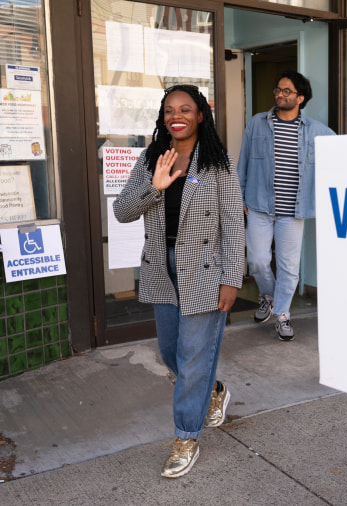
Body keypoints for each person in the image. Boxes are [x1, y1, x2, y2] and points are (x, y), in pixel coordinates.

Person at [113, 84, 245, 478]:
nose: (178, 115)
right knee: (173, 355)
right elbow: (121, 212)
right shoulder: (152, 158)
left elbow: (233, 226)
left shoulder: (218, 163)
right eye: (170, 109)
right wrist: (156, 186)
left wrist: (232, 278)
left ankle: (185, 437)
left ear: (200, 115)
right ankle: (213, 389)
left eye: (186, 109)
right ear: (163, 116)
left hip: (204, 269)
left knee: (190, 358)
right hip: (160, 267)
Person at [237, 70, 335, 340]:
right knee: (256, 260)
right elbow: (243, 162)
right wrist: (240, 196)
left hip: (294, 210)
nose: (280, 94)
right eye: (278, 90)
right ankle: (268, 296)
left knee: (289, 267)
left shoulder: (318, 131)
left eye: (287, 91)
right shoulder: (257, 123)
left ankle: (282, 314)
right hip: (259, 206)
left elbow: (340, 156)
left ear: (301, 98)